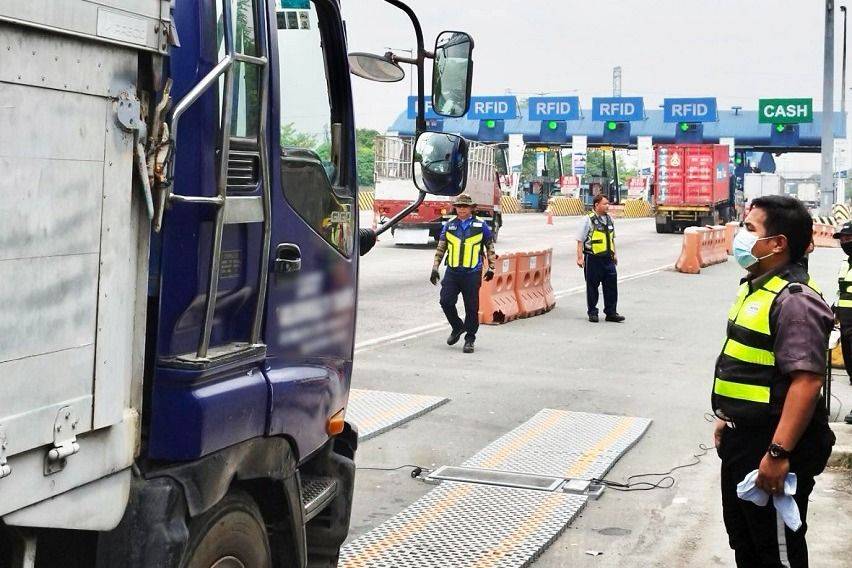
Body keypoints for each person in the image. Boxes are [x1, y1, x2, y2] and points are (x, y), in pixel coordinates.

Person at [712, 195, 835, 568]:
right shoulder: (757, 285)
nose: (740, 236)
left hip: (772, 445)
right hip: (744, 440)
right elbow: (754, 366)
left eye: (750, 229)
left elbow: (806, 383)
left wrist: (778, 454)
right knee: (746, 543)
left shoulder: (794, 300)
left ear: (778, 243)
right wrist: (727, 416)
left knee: (776, 553)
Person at [430, 194, 496, 354]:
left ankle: (470, 339)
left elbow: (490, 247)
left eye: (465, 207)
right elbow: (441, 248)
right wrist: (435, 267)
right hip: (452, 271)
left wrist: (491, 267)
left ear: (472, 208)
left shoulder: (481, 226)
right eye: (459, 207)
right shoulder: (449, 225)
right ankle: (458, 326)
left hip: (472, 272)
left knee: (471, 308)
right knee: (446, 301)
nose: (461, 210)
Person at [576, 194, 625, 323]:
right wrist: (580, 258)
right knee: (592, 287)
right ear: (596, 205)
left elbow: (612, 238)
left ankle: (611, 312)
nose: (607, 206)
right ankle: (592, 312)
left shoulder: (610, 219)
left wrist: (614, 254)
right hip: (593, 258)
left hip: (608, 259)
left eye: (608, 203)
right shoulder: (587, 220)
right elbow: (580, 240)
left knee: (611, 286)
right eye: (605, 204)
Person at [832, 221, 852, 424]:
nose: (845, 242)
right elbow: (843, 293)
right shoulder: (845, 264)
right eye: (843, 239)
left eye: (848, 238)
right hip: (846, 324)